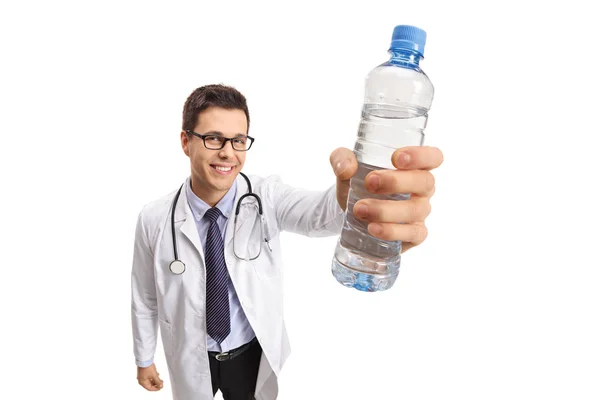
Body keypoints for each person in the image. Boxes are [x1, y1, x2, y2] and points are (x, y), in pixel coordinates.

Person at [130, 84, 443, 400]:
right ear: (186, 141)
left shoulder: (266, 196)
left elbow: (317, 215)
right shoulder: (154, 218)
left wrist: (349, 197)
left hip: (249, 353)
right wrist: (144, 360)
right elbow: (144, 296)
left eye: (238, 141)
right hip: (191, 357)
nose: (228, 152)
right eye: (213, 138)